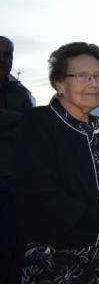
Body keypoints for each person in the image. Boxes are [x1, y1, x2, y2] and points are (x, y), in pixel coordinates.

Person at [14, 42, 99, 283]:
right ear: (60, 83)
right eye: (82, 76)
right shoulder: (39, 123)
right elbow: (41, 194)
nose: (93, 83)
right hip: (57, 256)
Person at [0, 36, 33, 283]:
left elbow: (30, 126)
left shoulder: (19, 92)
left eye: (7, 55)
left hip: (12, 181)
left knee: (10, 246)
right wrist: (15, 119)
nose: (4, 59)